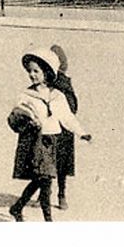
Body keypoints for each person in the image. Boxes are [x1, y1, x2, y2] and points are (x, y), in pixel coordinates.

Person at [9, 47, 91, 222]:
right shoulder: (26, 95)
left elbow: (67, 117)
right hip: (36, 143)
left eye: (36, 71)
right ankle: (48, 221)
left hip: (52, 142)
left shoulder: (57, 95)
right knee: (45, 182)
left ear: (47, 72)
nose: (32, 75)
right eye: (29, 71)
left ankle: (17, 207)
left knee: (41, 181)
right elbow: (15, 117)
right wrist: (27, 121)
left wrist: (81, 133)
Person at [50, 44, 79, 211]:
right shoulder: (48, 81)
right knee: (55, 164)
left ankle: (60, 194)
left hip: (61, 128)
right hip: (57, 128)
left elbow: (72, 106)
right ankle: (58, 195)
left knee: (54, 164)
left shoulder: (62, 82)